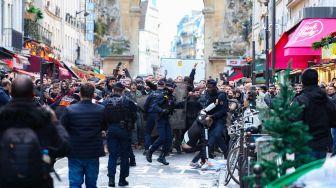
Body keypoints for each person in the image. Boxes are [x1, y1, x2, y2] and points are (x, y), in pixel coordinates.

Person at [0, 75, 70, 188]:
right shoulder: (43, 117)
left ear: (11, 93)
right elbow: (64, 147)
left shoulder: (3, 117)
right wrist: (55, 122)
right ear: (33, 94)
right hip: (39, 180)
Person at [61, 83, 105, 188]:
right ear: (93, 95)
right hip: (93, 150)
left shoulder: (69, 109)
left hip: (75, 150)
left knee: (75, 183)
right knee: (91, 183)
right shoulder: (100, 109)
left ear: (80, 94)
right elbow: (104, 126)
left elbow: (62, 128)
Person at [293, 69, 336, 159]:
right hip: (322, 145)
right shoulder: (327, 100)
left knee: (304, 172)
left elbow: (294, 122)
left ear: (303, 82)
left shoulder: (300, 100)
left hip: (304, 145)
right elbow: (333, 121)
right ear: (316, 80)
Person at [103, 82, 137, 187]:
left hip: (111, 129)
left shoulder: (105, 102)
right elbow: (135, 115)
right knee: (124, 156)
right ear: (122, 90)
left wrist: (105, 128)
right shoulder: (128, 101)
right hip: (124, 130)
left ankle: (111, 180)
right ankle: (122, 180)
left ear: (113, 90)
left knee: (112, 155)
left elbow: (102, 116)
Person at [146, 81, 179, 165]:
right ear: (167, 87)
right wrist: (162, 110)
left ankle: (162, 157)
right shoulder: (162, 95)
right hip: (160, 118)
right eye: (172, 87)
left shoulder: (170, 96)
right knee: (162, 138)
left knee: (169, 138)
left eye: (173, 88)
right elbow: (154, 105)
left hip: (166, 119)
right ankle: (150, 151)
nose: (173, 89)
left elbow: (172, 105)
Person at [198, 79, 229, 158]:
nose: (209, 89)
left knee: (217, 135)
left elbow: (223, 110)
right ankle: (207, 155)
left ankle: (226, 152)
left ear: (215, 87)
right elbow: (204, 105)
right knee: (209, 137)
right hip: (208, 119)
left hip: (219, 119)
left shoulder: (221, 95)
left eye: (210, 87)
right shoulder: (206, 94)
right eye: (207, 87)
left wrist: (212, 116)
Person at [143, 79, 166, 154]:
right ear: (164, 86)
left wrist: (145, 113)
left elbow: (146, 105)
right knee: (161, 132)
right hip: (160, 114)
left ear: (157, 86)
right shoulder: (165, 94)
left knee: (148, 132)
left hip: (151, 113)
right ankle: (162, 147)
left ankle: (147, 148)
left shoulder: (152, 93)